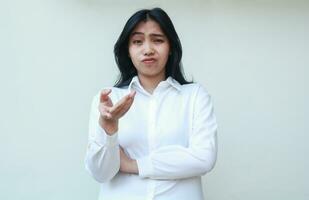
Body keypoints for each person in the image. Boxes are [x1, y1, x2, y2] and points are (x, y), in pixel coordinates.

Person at [85, 7, 218, 200]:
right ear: (128, 51)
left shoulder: (195, 96)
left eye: (158, 40)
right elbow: (101, 173)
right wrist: (109, 131)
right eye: (137, 42)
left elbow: (204, 158)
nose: (148, 50)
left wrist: (132, 164)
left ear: (171, 47)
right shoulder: (108, 100)